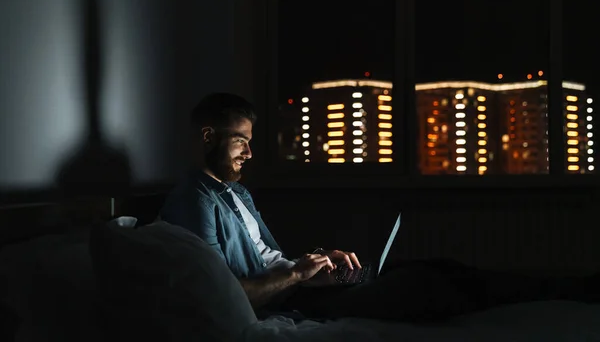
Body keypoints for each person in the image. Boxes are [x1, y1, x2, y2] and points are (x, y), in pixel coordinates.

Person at [160, 92, 598, 322]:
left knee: (437, 267)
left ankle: (571, 289)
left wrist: (313, 262)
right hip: (293, 304)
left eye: (250, 143)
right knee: (429, 284)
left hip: (301, 286)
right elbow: (221, 293)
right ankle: (569, 292)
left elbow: (267, 259)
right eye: (241, 141)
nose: (249, 155)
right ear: (208, 137)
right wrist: (296, 276)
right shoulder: (193, 200)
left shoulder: (237, 192)